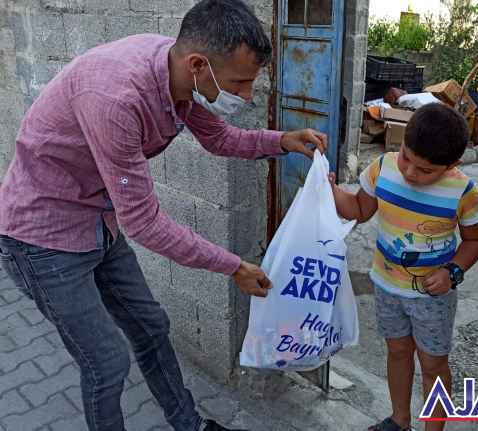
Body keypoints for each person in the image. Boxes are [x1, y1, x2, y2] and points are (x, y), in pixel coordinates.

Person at [0, 1, 326, 430]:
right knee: (107, 362)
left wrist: (283, 140)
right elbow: (145, 223)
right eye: (240, 82)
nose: (247, 95)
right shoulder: (117, 98)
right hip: (43, 239)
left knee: (151, 327)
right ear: (198, 64)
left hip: (98, 223)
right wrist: (233, 267)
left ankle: (189, 425)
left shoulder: (176, 72)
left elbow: (220, 138)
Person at [328, 103, 478, 431]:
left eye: (425, 170)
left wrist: (452, 272)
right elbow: (358, 208)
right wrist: (329, 191)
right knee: (398, 351)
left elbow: (474, 241)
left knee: (432, 365)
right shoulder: (382, 168)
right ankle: (400, 421)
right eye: (406, 158)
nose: (411, 173)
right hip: (386, 287)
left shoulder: (463, 192)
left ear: (452, 164)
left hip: (432, 298)